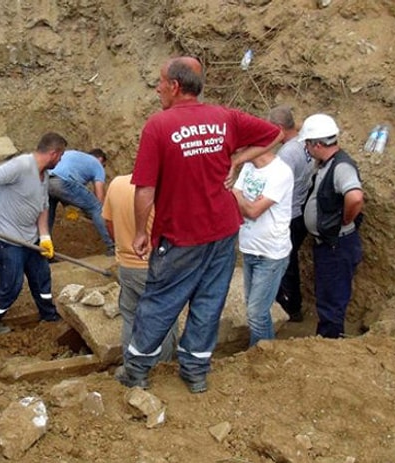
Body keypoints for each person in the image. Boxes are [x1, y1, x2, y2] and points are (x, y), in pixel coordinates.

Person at [115, 56, 283, 393]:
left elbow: (145, 188)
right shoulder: (225, 117)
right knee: (209, 299)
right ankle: (194, 371)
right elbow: (276, 133)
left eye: (161, 82)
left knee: (161, 300)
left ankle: (136, 371)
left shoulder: (158, 126)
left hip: (182, 234)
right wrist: (237, 157)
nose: (158, 88)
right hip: (222, 230)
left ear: (175, 87)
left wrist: (138, 232)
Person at [0, 132, 68, 335]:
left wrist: (45, 236)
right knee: (12, 285)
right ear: (54, 153)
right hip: (7, 239)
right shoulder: (21, 165)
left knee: (42, 277)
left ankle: (49, 315)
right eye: (61, 156)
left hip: (31, 239)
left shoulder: (44, 176)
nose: (61, 160)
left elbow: (43, 207)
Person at [300, 114, 363, 338]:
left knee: (332, 297)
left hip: (338, 245)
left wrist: (345, 220)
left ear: (317, 144)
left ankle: (330, 342)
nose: (306, 149)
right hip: (330, 244)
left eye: (308, 144)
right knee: (328, 293)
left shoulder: (341, 167)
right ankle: (329, 339)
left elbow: (355, 197)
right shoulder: (327, 165)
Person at [102, 174, 177, 361]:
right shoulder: (163, 189)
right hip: (156, 266)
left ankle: (133, 367)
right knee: (164, 319)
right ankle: (160, 369)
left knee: (131, 318)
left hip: (127, 265)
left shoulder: (117, 184)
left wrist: (123, 246)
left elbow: (108, 223)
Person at [233, 149, 294, 346]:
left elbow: (252, 211)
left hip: (270, 253)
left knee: (256, 313)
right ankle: (264, 352)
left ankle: (263, 356)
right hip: (250, 248)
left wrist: (239, 196)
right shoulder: (250, 166)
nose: (235, 152)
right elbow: (236, 195)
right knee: (255, 310)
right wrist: (243, 199)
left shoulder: (280, 172)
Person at [269, 105, 315, 322]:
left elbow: (276, 188)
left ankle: (289, 308)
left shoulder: (287, 154)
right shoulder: (304, 143)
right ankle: (291, 306)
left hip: (288, 214)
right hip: (300, 210)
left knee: (284, 263)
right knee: (290, 259)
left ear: (279, 128)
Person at [48, 149, 115, 256]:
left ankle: (45, 254)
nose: (103, 168)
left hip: (45, 180)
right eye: (104, 165)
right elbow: (99, 195)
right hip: (63, 180)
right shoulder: (97, 164)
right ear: (101, 159)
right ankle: (113, 246)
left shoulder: (75, 156)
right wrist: (104, 214)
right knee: (96, 208)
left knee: (47, 219)